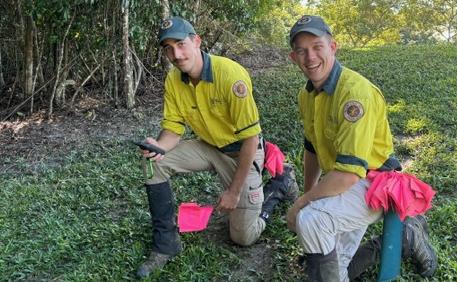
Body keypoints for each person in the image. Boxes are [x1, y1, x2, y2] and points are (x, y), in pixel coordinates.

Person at [135, 16, 298, 278]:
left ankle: (278, 186)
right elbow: (173, 129)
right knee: (155, 163)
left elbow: (250, 138)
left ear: (197, 41)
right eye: (168, 48)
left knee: (243, 237)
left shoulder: (230, 75)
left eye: (181, 44)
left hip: (242, 152)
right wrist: (159, 146)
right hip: (209, 147)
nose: (176, 54)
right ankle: (166, 245)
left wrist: (234, 192)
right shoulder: (174, 80)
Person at [285, 15, 438, 281]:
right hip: (343, 180)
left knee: (311, 221)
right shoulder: (306, 94)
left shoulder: (355, 93)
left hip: (374, 182)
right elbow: (312, 147)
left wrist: (302, 203)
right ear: (293, 57)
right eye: (302, 50)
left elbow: (349, 175)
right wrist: (311, 192)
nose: (310, 57)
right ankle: (405, 238)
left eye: (317, 46)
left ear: (333, 47)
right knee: (333, 263)